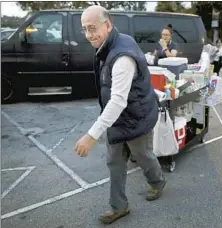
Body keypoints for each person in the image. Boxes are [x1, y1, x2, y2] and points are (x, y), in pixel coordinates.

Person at [74, 6, 166, 224]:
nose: (89, 35)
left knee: (143, 156)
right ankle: (119, 207)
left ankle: (157, 181)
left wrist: (91, 135)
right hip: (118, 120)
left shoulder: (122, 55)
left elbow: (117, 101)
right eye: (85, 29)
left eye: (93, 28)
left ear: (107, 25)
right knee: (114, 162)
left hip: (137, 117)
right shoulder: (110, 45)